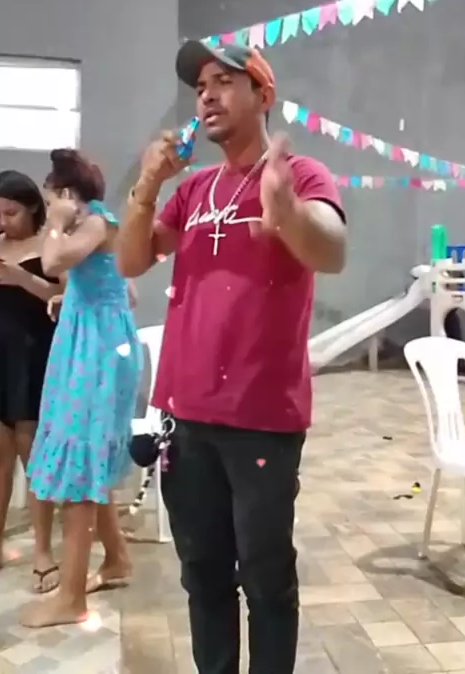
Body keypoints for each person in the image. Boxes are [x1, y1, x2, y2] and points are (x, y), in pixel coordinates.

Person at [117, 42, 347, 674]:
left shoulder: (301, 175)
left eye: (223, 81)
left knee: (267, 577)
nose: (207, 96)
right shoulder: (192, 189)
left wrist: (286, 212)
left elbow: (331, 251)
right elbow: (131, 260)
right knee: (203, 573)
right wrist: (147, 186)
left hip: (262, 417)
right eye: (200, 88)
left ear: (263, 95)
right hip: (185, 415)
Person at [21, 149, 142, 629]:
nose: (49, 205)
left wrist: (55, 224)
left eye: (51, 196)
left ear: (67, 194)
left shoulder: (95, 222)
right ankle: (116, 560)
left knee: (80, 459)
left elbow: (52, 259)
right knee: (87, 455)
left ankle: (72, 598)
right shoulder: (94, 227)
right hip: (89, 340)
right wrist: (71, 299)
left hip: (99, 351)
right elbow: (127, 290)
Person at [0, 170, 62, 592]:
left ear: (33, 207)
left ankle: (42, 552)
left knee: (33, 459)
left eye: (11, 213)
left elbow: (65, 298)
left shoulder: (50, 244)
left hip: (33, 356)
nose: (3, 222)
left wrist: (22, 278)